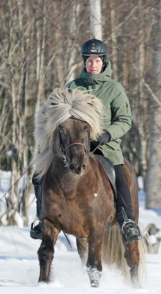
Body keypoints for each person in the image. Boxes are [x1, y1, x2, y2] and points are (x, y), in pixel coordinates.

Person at [30, 39, 141, 244]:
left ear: (103, 62)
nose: (92, 65)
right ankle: (41, 218)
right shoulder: (73, 87)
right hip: (73, 146)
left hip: (105, 147)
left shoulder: (114, 89)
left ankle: (127, 222)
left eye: (96, 60)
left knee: (119, 176)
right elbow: (60, 115)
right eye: (89, 61)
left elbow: (125, 120)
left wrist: (107, 134)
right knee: (39, 174)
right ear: (84, 62)